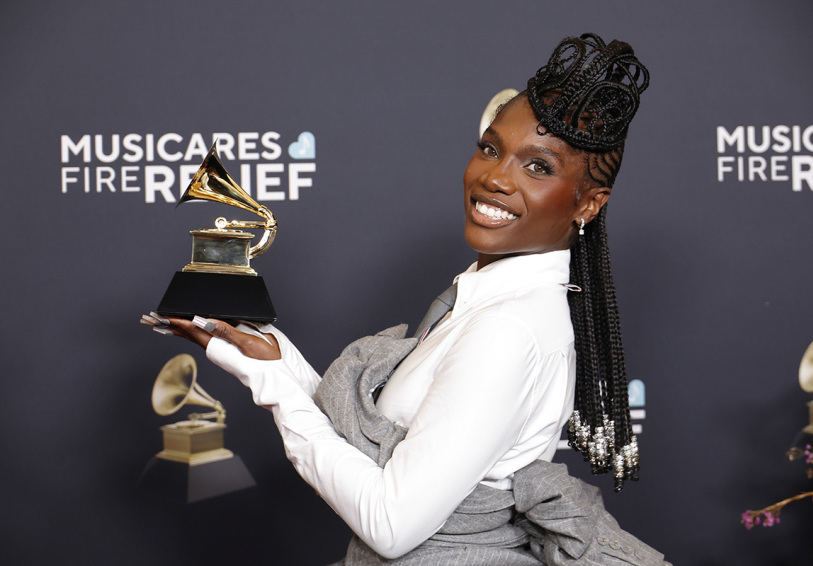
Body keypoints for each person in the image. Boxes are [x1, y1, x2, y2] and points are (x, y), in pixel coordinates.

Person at [143, 33, 669, 565]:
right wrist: (273, 359)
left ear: (589, 204)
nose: (494, 178)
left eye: (538, 167)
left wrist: (276, 388)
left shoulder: (509, 331)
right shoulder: (485, 301)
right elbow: (380, 451)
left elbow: (391, 524)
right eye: (491, 148)